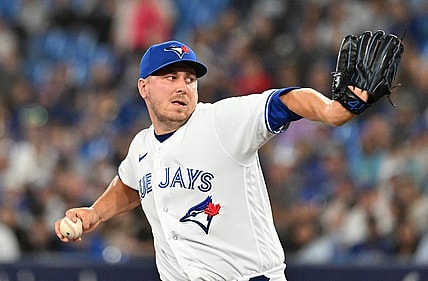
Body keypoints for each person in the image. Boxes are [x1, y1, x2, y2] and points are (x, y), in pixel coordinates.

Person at [54, 40, 369, 281]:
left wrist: (329, 110)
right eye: (170, 76)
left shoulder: (220, 121)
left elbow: (286, 100)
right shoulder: (141, 146)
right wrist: (96, 212)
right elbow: (131, 184)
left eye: (189, 79)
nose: (182, 86)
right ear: (143, 87)